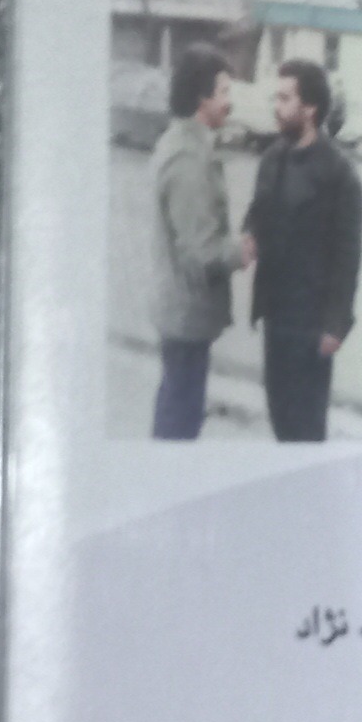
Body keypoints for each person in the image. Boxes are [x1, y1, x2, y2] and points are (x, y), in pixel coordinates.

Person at [240, 58, 362, 442]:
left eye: (284, 98)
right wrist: (249, 233)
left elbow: (348, 257)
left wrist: (335, 325)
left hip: (311, 323)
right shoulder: (272, 158)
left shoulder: (339, 174)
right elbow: (257, 213)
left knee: (307, 427)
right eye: (276, 98)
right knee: (278, 414)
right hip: (276, 315)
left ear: (309, 108)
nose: (276, 107)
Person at [148, 43, 251, 440]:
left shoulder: (187, 144)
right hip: (185, 315)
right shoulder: (188, 159)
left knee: (179, 408)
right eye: (223, 92)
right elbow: (200, 253)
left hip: (182, 312)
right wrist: (243, 250)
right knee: (179, 422)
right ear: (201, 98)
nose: (230, 102)